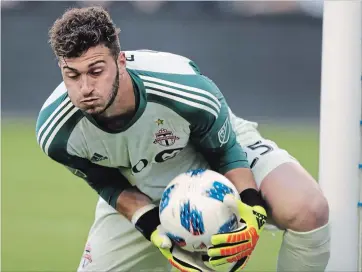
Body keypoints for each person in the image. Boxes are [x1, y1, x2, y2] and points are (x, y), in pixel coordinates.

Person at [36, 6, 330, 272]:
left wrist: (253, 208)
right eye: (72, 75)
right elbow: (106, 182)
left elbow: (226, 150)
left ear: (121, 61)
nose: (85, 87)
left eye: (96, 71)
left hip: (215, 151)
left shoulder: (184, 90)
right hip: (142, 183)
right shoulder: (56, 132)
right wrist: (152, 226)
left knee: (308, 208)